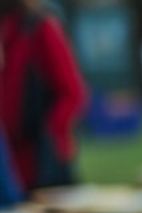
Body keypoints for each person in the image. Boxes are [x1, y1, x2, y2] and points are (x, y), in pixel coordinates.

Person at [0, 0, 87, 191]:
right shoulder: (7, 26)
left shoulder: (40, 26)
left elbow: (72, 91)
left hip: (41, 157)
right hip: (11, 159)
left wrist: (52, 132)